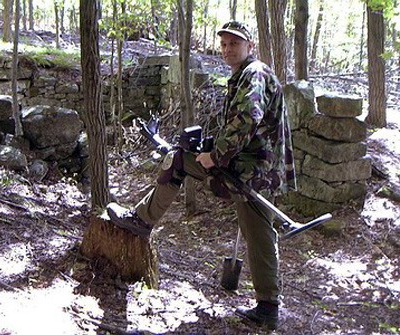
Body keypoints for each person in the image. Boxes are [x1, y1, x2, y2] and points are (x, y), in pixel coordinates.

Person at [107, 21, 296, 331]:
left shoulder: (254, 73)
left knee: (177, 160)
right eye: (223, 44)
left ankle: (141, 220)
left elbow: (250, 115)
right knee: (258, 231)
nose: (227, 49)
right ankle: (268, 307)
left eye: (234, 43)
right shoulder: (245, 74)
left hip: (250, 168)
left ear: (250, 46)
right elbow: (243, 122)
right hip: (258, 167)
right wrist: (212, 146)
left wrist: (215, 155)